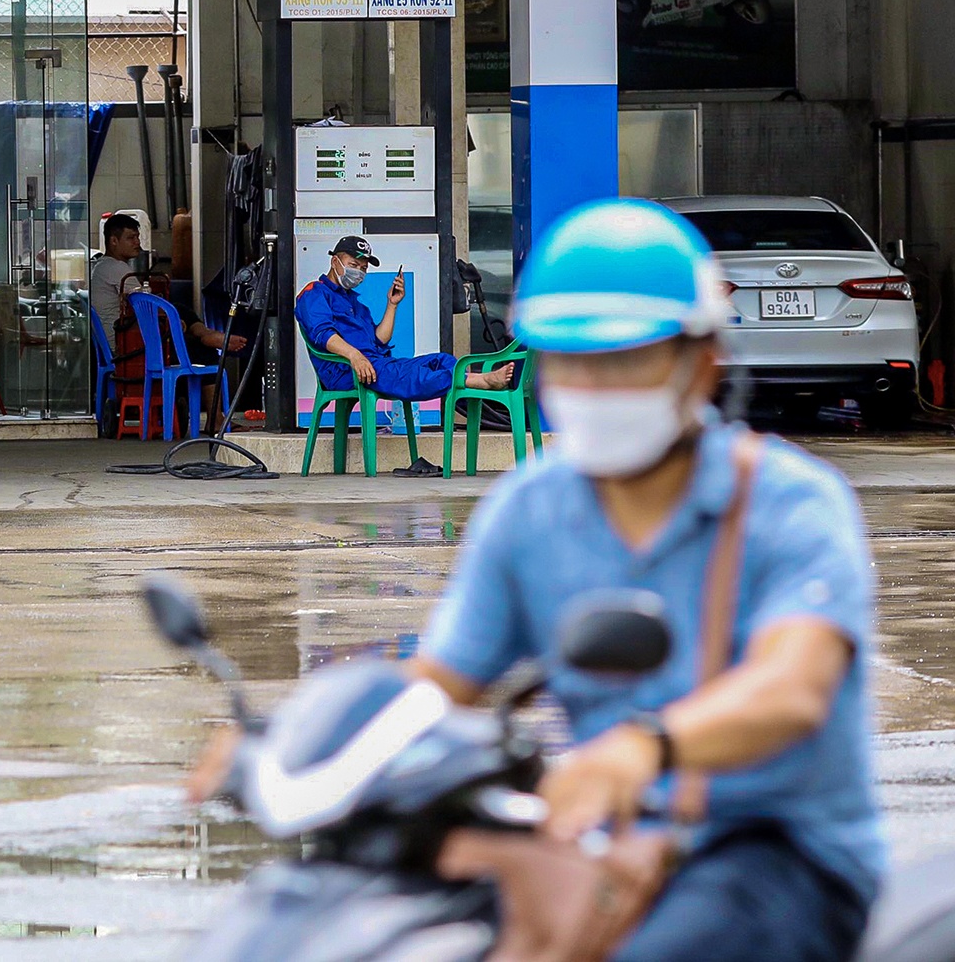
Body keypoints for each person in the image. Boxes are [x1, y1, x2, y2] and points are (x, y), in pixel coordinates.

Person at [410, 199, 882, 962]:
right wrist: (303, 747)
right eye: (570, 362)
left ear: (703, 363)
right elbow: (435, 687)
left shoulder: (790, 502)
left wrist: (642, 748)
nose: (593, 387)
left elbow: (793, 688)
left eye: (626, 361)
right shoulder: (528, 510)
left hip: (777, 852)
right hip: (606, 844)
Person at [295, 235, 514, 400]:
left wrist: (392, 304)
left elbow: (379, 340)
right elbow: (322, 334)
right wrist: (355, 356)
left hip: (374, 364)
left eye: (363, 268)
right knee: (406, 375)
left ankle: (469, 389)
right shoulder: (315, 293)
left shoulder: (355, 303)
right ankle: (480, 381)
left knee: (442, 360)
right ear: (335, 262)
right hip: (344, 370)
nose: (359, 272)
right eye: (353, 265)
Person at [89, 212, 144, 355]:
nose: (137, 243)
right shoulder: (116, 268)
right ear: (114, 241)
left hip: (107, 344)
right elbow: (146, 306)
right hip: (120, 346)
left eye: (137, 237)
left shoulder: (101, 265)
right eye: (131, 238)